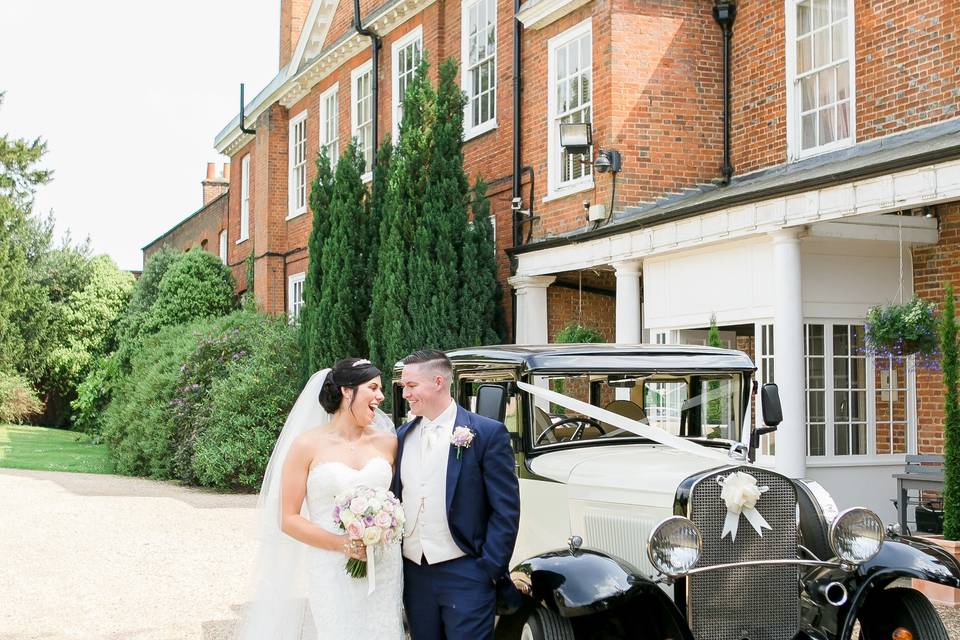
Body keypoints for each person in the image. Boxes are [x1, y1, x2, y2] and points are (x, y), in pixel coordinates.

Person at [234, 358, 404, 640]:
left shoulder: (388, 442)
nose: (381, 396)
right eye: (373, 388)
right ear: (347, 391)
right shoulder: (306, 445)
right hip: (331, 567)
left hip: (383, 565)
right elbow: (288, 519)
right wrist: (343, 544)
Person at [392, 349, 521, 640]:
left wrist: (489, 568)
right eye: (404, 387)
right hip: (415, 574)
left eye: (411, 386)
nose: (405, 394)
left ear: (438, 381)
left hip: (468, 573)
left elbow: (506, 509)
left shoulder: (487, 434)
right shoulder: (401, 437)